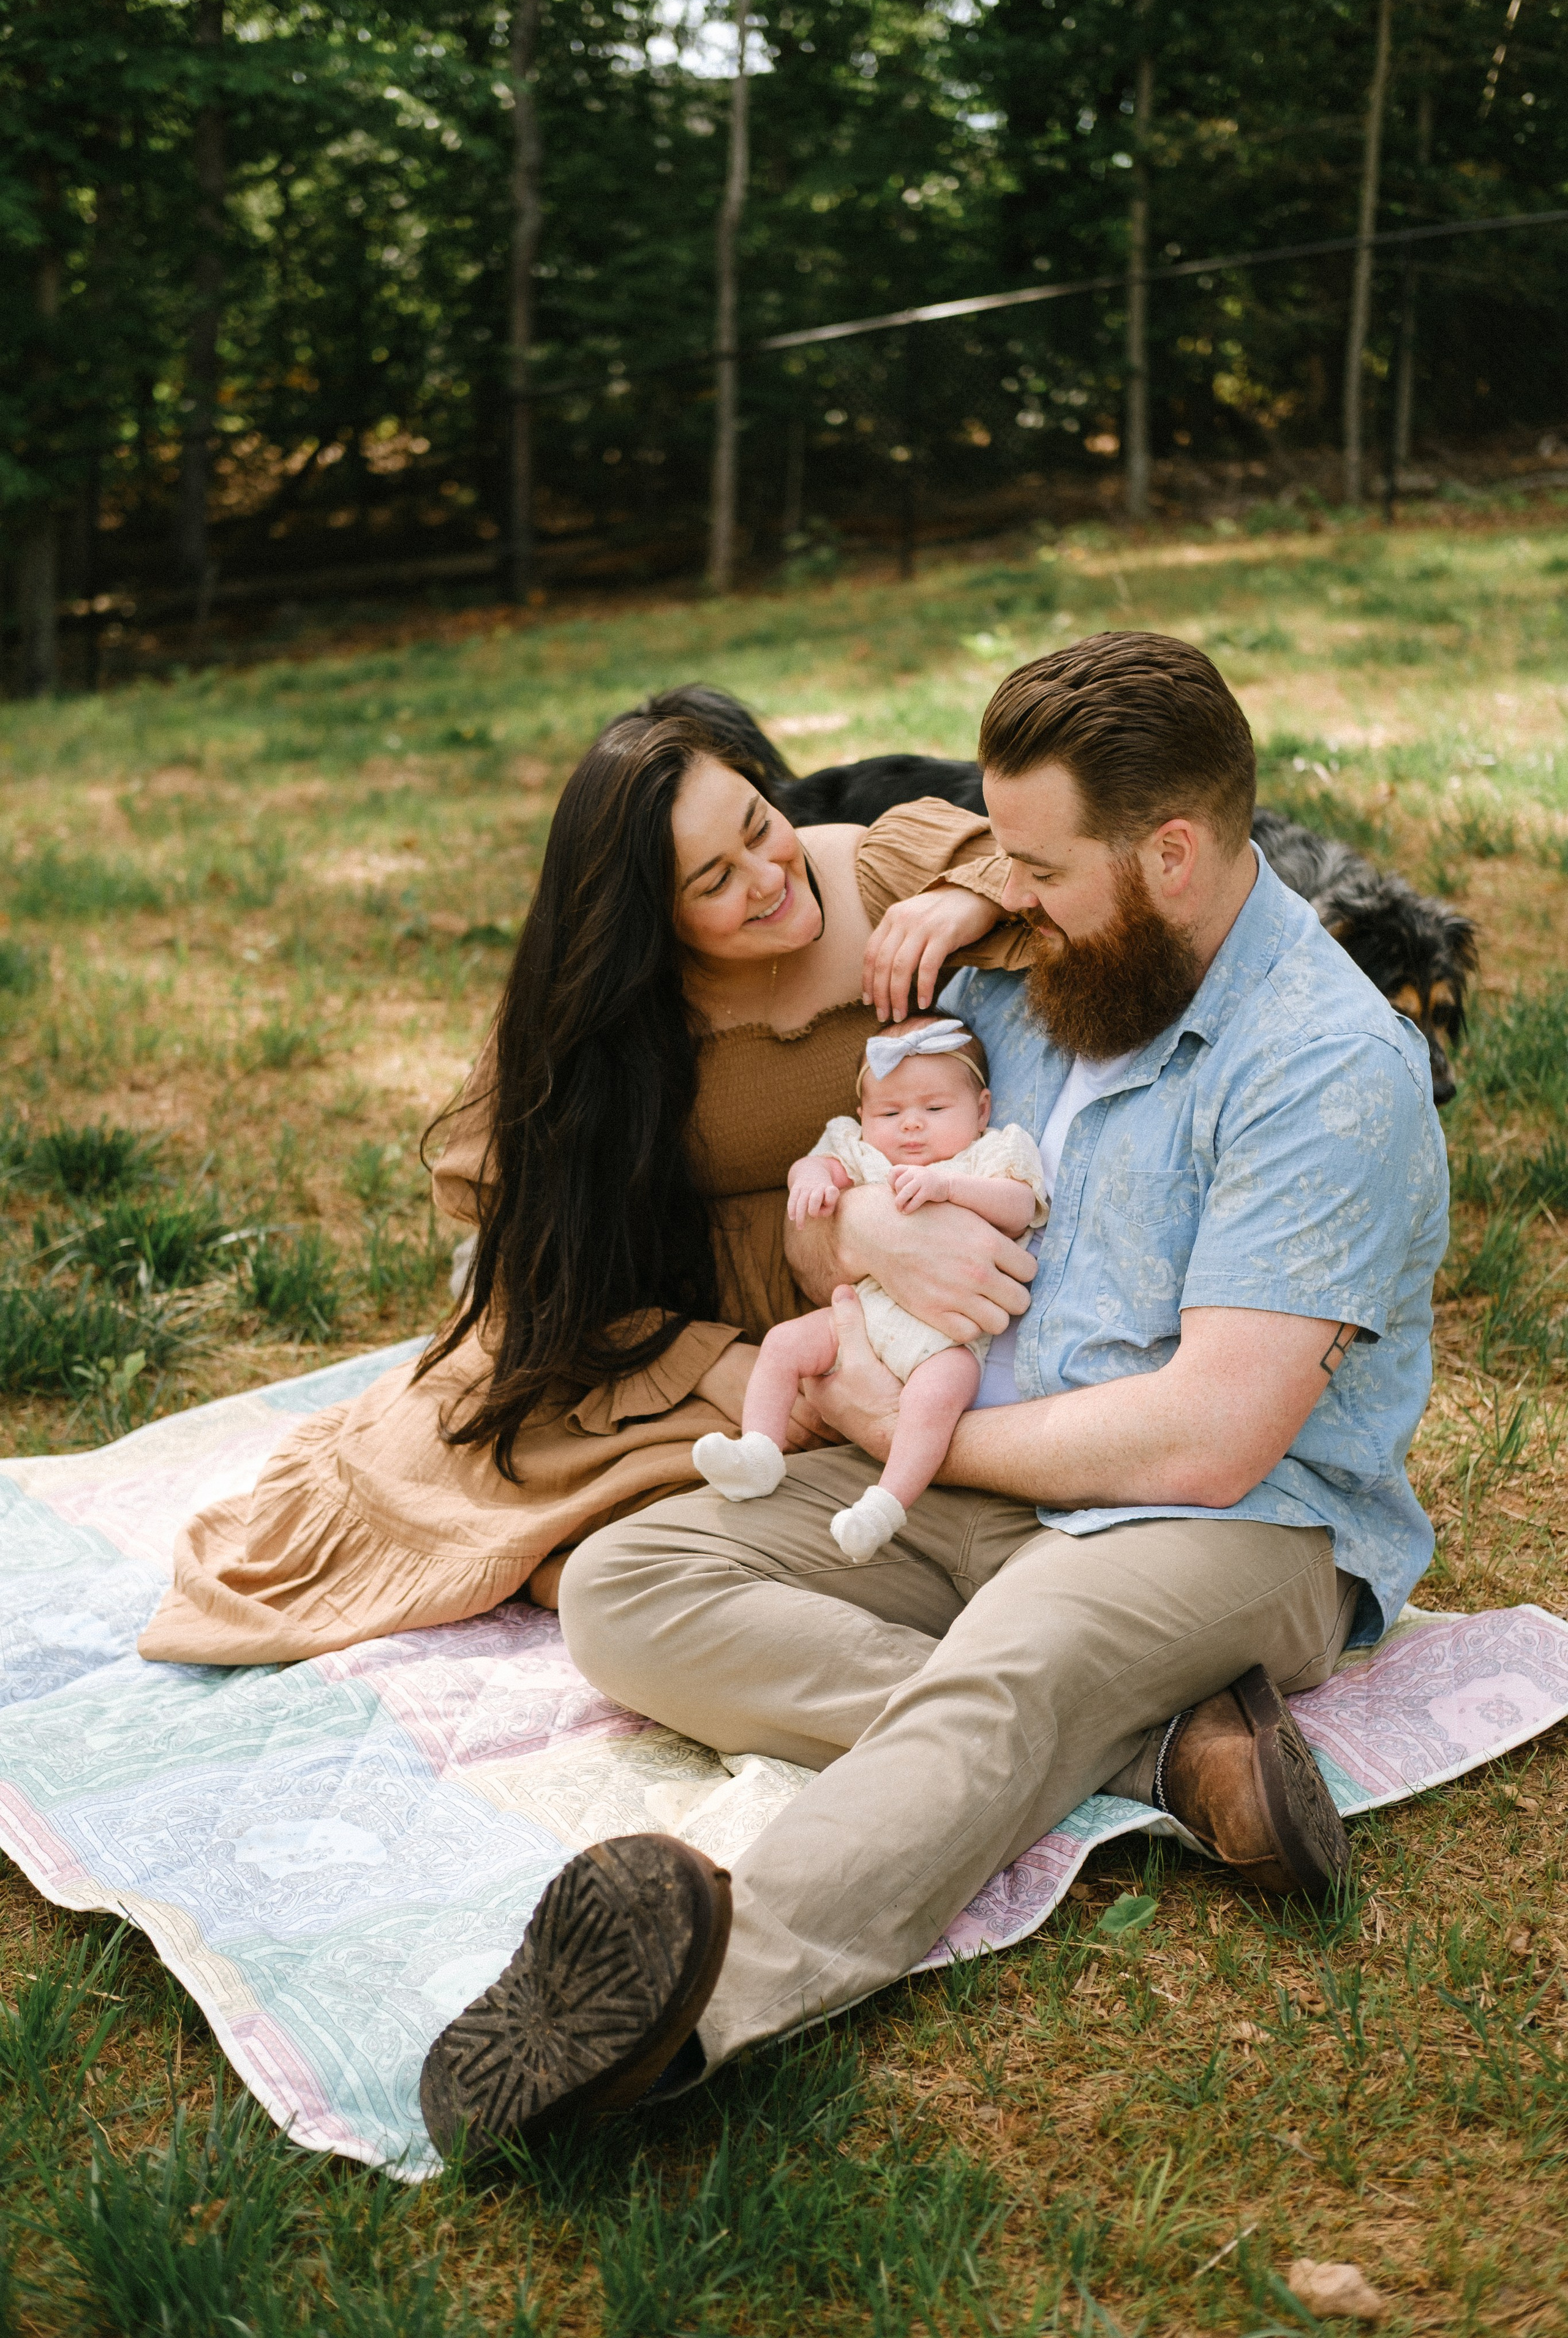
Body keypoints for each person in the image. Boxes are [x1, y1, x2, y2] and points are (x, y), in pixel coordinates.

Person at [417, 632, 1449, 2161]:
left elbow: (1208, 1436)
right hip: (979, 1474)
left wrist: (911, 1438)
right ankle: (1159, 1751)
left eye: (1028, 863)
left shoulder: (1322, 1070)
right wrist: (863, 1227)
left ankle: (680, 2007)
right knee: (633, 1579)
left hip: (1229, 1519)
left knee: (1014, 1670)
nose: (990, 890)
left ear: (1168, 853)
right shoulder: (1043, 972)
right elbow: (860, 1184)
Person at [137, 711, 1031, 1664]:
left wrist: (969, 899)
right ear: (654, 923)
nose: (769, 877)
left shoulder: (867, 868)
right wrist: (712, 1367)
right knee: (519, 1499)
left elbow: (1065, 870)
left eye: (758, 824)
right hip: (701, 1338)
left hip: (897, 1313)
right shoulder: (604, 1026)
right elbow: (543, 1257)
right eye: (715, 882)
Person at [693, 1014, 1046, 1558]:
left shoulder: (991, 1155)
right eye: (890, 1112)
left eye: (934, 1109)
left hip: (945, 1338)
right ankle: (760, 1450)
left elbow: (1022, 1206)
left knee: (937, 1397)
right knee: (785, 1343)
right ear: (862, 1116)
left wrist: (949, 1184)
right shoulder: (862, 1151)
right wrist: (809, 1178)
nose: (911, 1126)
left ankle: (887, 1501)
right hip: (863, 1312)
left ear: (982, 1110)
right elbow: (823, 1164)